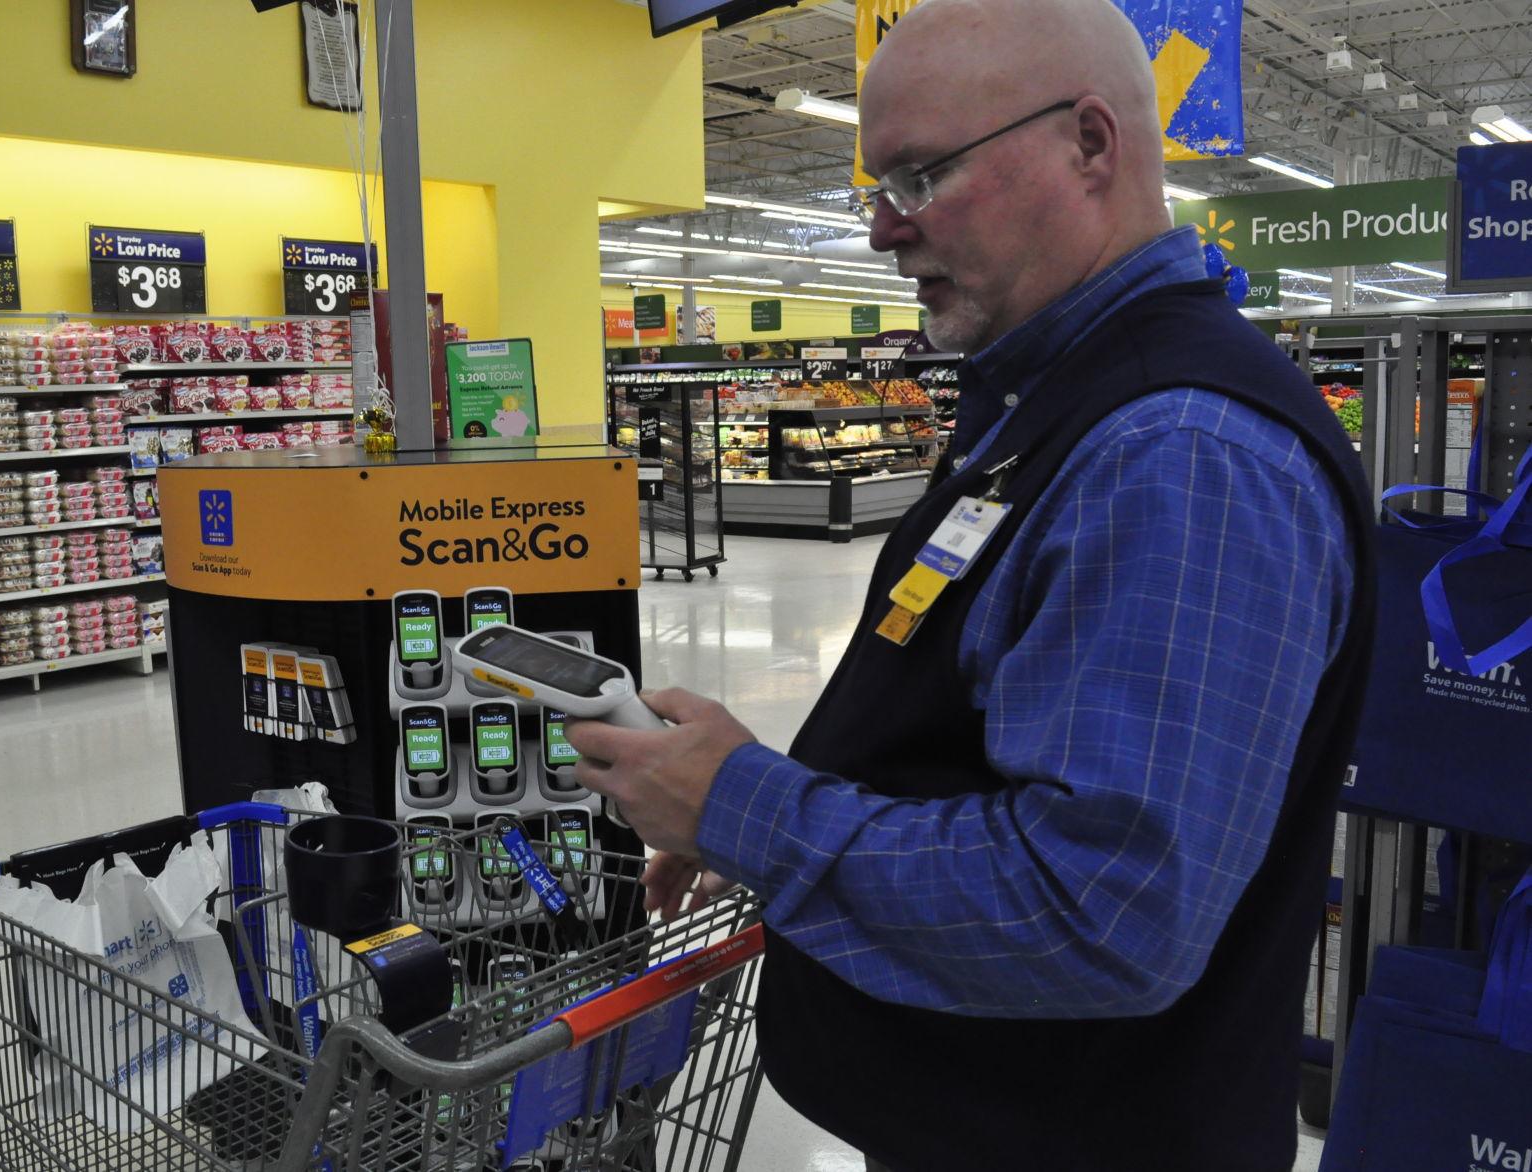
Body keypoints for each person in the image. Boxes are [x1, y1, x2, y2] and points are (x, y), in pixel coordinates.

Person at [566, 0, 1378, 1169]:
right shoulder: (1051, 394)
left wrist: (745, 806)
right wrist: (747, 784)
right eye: (874, 189)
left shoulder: (1178, 453)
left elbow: (1097, 909)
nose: (880, 233)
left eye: (920, 176)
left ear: (1088, 144)